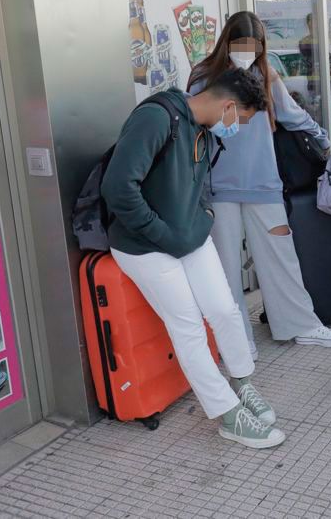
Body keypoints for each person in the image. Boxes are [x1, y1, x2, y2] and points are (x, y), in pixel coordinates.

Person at [102, 67, 285, 449]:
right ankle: (227, 415)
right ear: (229, 106)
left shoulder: (204, 128)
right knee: (187, 324)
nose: (239, 126)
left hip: (189, 236)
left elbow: (200, 185)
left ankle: (241, 383)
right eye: (243, 119)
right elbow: (118, 188)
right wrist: (163, 234)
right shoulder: (156, 118)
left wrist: (204, 217)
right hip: (144, 244)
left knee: (224, 309)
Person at [187, 12, 331, 358]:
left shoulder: (265, 75)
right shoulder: (204, 77)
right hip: (220, 189)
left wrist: (323, 140)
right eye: (239, 44)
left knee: (281, 256)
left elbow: (292, 115)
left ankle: (300, 325)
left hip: (264, 184)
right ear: (226, 42)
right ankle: (237, 341)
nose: (245, 51)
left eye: (253, 45)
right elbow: (193, 123)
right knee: (226, 267)